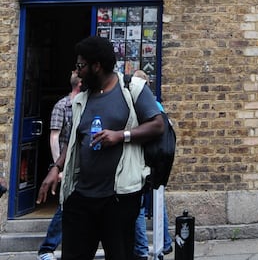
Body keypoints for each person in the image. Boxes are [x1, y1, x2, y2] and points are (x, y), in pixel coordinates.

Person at [36, 35, 164, 260]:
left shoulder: (132, 89)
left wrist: (121, 136)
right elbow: (76, 139)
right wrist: (56, 168)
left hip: (119, 199)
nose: (77, 72)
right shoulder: (82, 99)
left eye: (81, 66)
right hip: (82, 196)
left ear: (97, 66)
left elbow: (157, 125)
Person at [38, 70, 81, 260]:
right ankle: (47, 248)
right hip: (67, 164)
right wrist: (58, 168)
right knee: (66, 205)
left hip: (83, 164)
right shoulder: (62, 106)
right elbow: (54, 137)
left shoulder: (89, 103)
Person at [132, 71, 172, 259]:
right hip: (159, 161)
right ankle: (164, 243)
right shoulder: (158, 106)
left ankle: (141, 250)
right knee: (158, 202)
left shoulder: (140, 106)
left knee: (139, 206)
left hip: (143, 160)